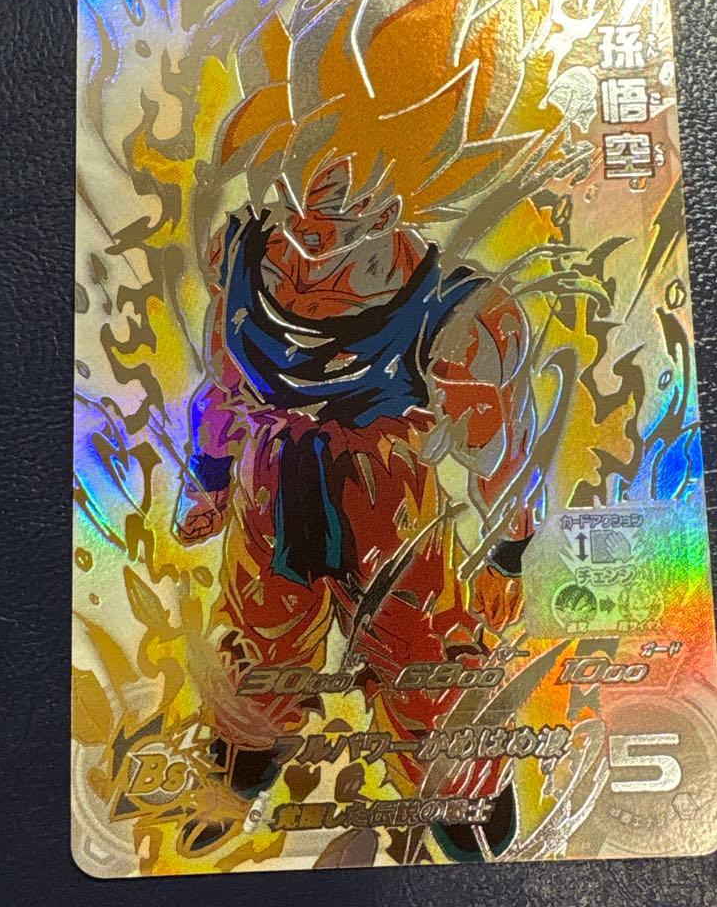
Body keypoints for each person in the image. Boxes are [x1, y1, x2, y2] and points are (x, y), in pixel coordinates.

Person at [174, 152, 538, 860]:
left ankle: (462, 789)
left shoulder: (454, 308)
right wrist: (211, 478)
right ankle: (244, 762)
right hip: (271, 478)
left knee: (421, 651)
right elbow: (222, 384)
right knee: (260, 638)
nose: (317, 208)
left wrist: (509, 550)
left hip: (387, 494)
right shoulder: (243, 252)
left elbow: (499, 448)